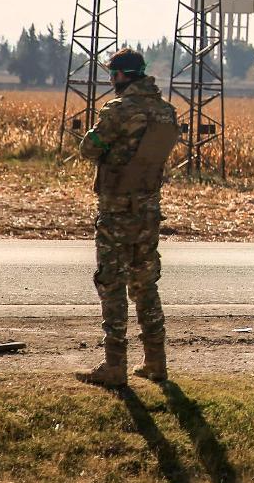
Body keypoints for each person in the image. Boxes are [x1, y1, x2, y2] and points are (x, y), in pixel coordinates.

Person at [76, 47, 180, 387]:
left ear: (121, 75)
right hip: (148, 210)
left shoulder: (118, 110)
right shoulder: (166, 112)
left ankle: (114, 365)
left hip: (117, 209)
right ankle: (156, 362)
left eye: (112, 74)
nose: (111, 80)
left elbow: (89, 148)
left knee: (112, 282)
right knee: (145, 283)